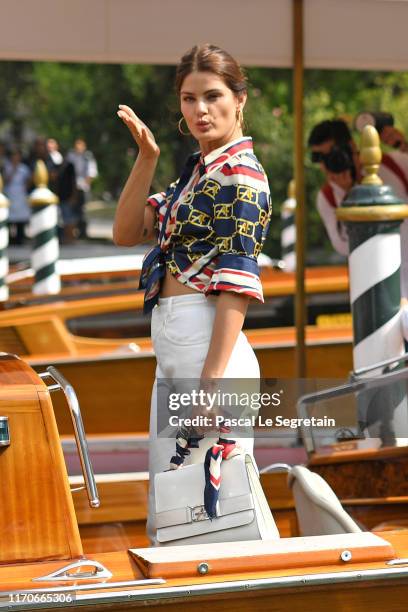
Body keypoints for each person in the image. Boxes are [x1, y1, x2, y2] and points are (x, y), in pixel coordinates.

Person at [113, 44, 272, 545]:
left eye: (212, 96)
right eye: (188, 98)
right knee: (174, 509)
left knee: (212, 516)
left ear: (239, 99)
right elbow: (125, 231)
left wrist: (211, 385)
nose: (200, 110)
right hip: (180, 353)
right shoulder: (195, 173)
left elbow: (236, 286)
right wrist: (147, 157)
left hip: (210, 357)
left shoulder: (240, 175)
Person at [309, 119, 408, 297]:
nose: (328, 163)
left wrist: (404, 145)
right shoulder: (327, 198)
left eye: (333, 154)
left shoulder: (395, 165)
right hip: (378, 293)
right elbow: (344, 247)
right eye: (319, 158)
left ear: (352, 145)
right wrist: (349, 195)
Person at [67, 138, 98, 239]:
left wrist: (85, 184)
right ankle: (72, 231)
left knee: (82, 210)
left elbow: (91, 173)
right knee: (72, 209)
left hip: (82, 188)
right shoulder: (71, 156)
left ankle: (82, 231)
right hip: (72, 187)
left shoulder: (87, 157)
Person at [3, 148, 31, 245]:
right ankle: (10, 239)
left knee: (21, 218)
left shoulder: (24, 168)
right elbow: (6, 180)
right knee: (10, 218)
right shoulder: (7, 167)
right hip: (10, 193)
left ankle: (20, 238)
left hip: (20, 194)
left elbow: (28, 180)